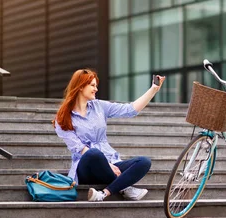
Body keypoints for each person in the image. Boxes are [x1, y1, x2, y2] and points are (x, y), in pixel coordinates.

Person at [54, 69, 165, 202]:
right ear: (81, 87)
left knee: (144, 162)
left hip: (110, 162)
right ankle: (125, 187)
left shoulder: (100, 106)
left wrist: (153, 89)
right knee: (93, 154)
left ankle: (104, 193)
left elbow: (130, 110)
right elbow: (79, 149)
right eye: (92, 85)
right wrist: (108, 165)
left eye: (96, 85)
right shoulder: (63, 118)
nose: (96, 89)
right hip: (86, 168)